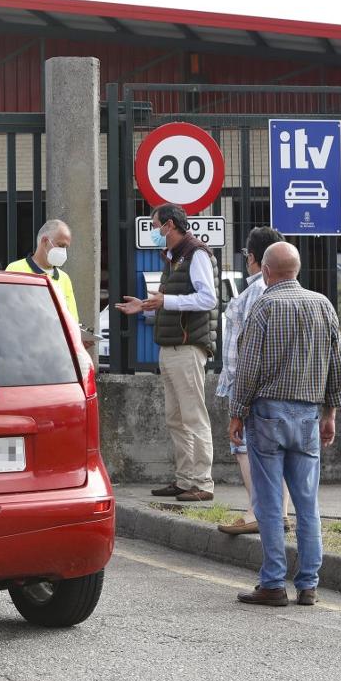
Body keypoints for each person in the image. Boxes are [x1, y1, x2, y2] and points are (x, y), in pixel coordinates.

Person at [230, 241, 341, 608]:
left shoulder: (263, 306)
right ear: (297, 270)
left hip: (267, 414)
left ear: (265, 271)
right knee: (307, 503)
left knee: (268, 501)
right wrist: (330, 413)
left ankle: (273, 582)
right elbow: (335, 365)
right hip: (308, 414)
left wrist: (237, 410)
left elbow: (247, 369)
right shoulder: (323, 305)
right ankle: (309, 584)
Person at [114, 204, 219, 502]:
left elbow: (207, 298)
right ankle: (185, 479)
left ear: (169, 225)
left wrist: (165, 301)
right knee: (175, 418)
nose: (154, 231)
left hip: (187, 348)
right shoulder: (174, 257)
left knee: (193, 416)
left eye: (155, 225)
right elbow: (170, 298)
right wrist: (146, 304)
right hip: (171, 347)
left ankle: (202, 482)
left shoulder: (196, 253)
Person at [214, 227, 292, 535]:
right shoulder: (290, 292)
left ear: (252, 258)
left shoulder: (253, 294)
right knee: (279, 451)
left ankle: (256, 511)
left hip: (251, 385)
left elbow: (242, 350)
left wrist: (236, 394)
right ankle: (280, 512)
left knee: (245, 449)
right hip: (282, 384)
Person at [6, 219, 80, 323]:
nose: (64, 251)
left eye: (66, 247)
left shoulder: (64, 278)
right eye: (61, 245)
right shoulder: (15, 269)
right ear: (45, 241)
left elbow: (73, 319)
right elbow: (9, 310)